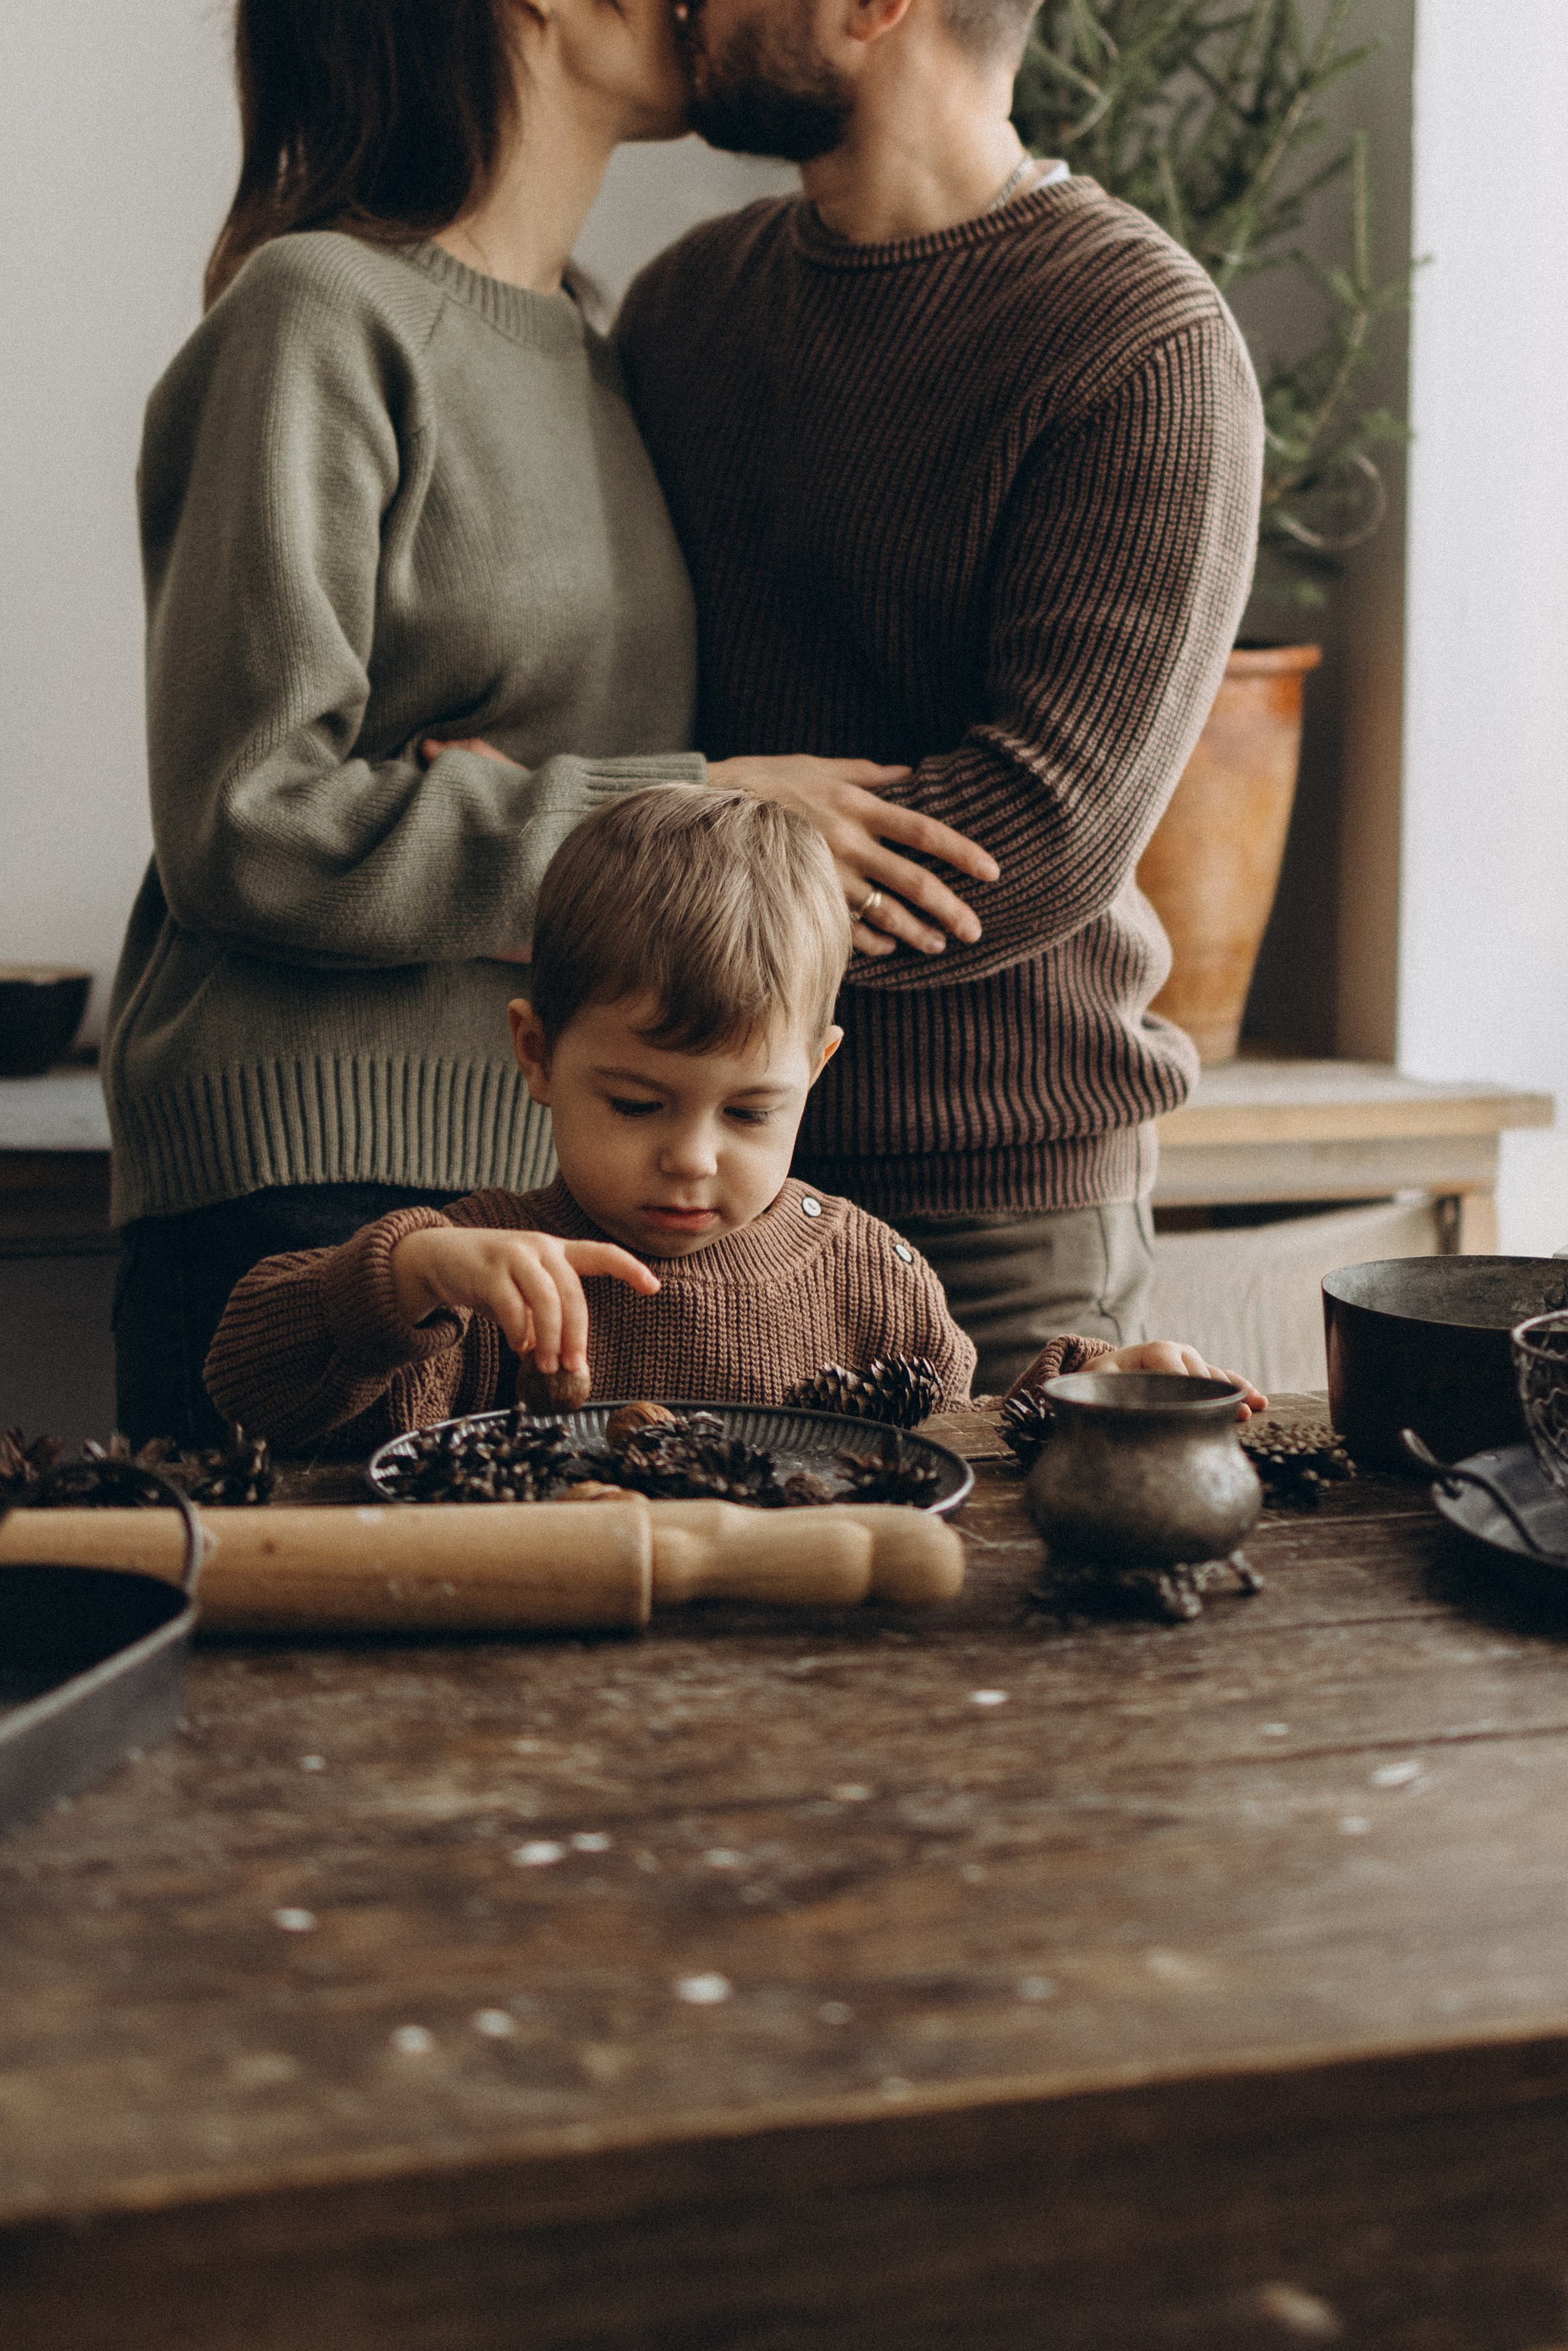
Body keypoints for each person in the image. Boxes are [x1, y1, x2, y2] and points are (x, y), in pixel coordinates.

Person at [107, 0, 994, 1451]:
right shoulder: (319, 311)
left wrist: (535, 817)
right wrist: (618, 814)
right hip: (311, 1181)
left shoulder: (591, 347)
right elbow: (245, 822)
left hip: (546, 1192)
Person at [616, 0, 1267, 1396]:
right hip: (676, 1179)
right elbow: (632, 719)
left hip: (991, 1209)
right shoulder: (680, 305)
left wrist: (593, 857)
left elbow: (1023, 832)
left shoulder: (1137, 334)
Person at [205, 791, 1262, 1452]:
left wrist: (1094, 1393)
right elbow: (245, 1389)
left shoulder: (873, 1282)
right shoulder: (481, 1275)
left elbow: (962, 1456)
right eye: (635, 1102)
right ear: (537, 1054)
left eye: (754, 1109)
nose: (692, 1157)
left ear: (816, 1072)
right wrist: (408, 1274)